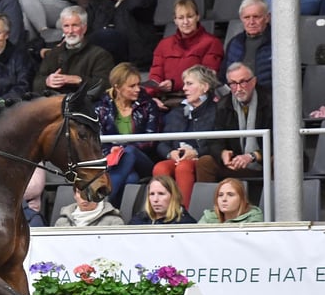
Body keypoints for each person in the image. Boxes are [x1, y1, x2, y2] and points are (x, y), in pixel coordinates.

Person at [152, 65, 219, 209]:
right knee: (160, 167)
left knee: (183, 167)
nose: (184, 88)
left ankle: (184, 214)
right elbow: (161, 143)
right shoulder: (177, 112)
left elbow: (218, 144)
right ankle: (163, 214)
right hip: (177, 158)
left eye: (189, 84)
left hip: (199, 159)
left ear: (205, 87)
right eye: (184, 84)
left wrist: (195, 152)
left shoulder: (216, 112)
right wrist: (171, 153)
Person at [95, 62, 160, 207]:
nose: (137, 89)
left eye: (138, 84)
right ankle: (117, 216)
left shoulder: (148, 105)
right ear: (117, 87)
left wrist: (121, 149)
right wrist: (111, 151)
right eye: (132, 86)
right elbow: (97, 141)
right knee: (131, 178)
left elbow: (151, 140)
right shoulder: (101, 109)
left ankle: (101, 205)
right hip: (111, 161)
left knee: (128, 151)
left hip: (143, 160)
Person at [196, 62, 272, 183]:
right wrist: (223, 154)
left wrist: (252, 156)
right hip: (237, 164)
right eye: (233, 84)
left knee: (280, 160)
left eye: (243, 82)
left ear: (253, 81)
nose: (238, 88)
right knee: (205, 163)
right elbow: (214, 140)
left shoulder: (271, 102)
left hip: (264, 162)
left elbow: (281, 143)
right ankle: (209, 201)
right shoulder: (223, 105)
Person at [146, 0, 224, 110]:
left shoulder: (212, 43)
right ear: (175, 20)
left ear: (198, 17)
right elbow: (155, 76)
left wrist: (174, 85)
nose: (185, 22)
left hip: (197, 102)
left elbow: (207, 78)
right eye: (181, 18)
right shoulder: (164, 45)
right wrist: (151, 98)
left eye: (190, 16)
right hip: (165, 101)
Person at [85, 0, 159, 69]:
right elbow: (87, 29)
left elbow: (137, 5)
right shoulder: (98, 3)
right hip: (103, 63)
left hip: (135, 62)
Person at [32, 5, 114, 99]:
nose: (70, 31)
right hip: (53, 105)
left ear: (84, 28)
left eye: (75, 25)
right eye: (66, 26)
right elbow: (36, 83)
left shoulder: (100, 55)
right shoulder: (53, 54)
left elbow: (106, 86)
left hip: (84, 107)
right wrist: (47, 81)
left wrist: (78, 80)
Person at [219, 0, 272, 89]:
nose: (251, 22)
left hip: (268, 99)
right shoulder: (234, 43)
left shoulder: (278, 43)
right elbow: (223, 77)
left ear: (267, 18)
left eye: (256, 17)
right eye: (246, 17)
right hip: (235, 98)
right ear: (241, 19)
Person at [129, 175, 197, 225]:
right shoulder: (139, 220)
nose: (155, 199)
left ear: (173, 196)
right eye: (152, 194)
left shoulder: (185, 224)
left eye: (161, 194)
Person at [197, 178, 264, 224]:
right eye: (220, 195)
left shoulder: (253, 216)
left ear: (242, 199)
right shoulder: (209, 217)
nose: (224, 199)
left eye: (230, 195)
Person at [54, 185, 125, 226]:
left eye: (90, 192)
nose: (85, 198)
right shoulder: (61, 222)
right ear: (75, 195)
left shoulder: (114, 222)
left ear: (99, 195)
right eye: (80, 192)